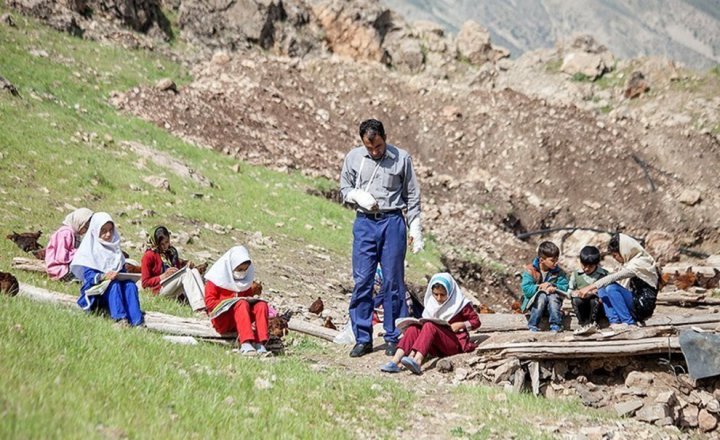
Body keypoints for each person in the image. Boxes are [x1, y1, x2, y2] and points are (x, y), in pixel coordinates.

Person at [339, 119, 423, 358]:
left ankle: (393, 336)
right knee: (363, 280)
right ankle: (362, 337)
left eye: (378, 146)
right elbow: (344, 188)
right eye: (370, 147)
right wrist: (357, 195)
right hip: (365, 222)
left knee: (393, 281)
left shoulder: (402, 158)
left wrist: (415, 226)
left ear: (385, 137)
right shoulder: (354, 158)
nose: (375, 151)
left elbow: (412, 195)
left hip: (392, 221)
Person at [380, 273, 480, 374]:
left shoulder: (460, 304)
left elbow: (476, 322)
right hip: (435, 345)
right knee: (413, 328)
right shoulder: (431, 303)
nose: (439, 298)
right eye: (435, 294)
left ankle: (417, 361)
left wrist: (461, 325)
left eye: (443, 295)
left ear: (450, 291)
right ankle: (395, 361)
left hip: (454, 343)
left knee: (429, 326)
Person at [69, 212, 144, 326]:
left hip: (116, 290)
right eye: (103, 231)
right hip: (98, 293)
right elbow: (89, 277)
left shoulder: (115, 249)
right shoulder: (90, 250)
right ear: (96, 230)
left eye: (110, 230)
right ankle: (120, 319)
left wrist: (124, 275)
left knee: (130, 285)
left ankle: (137, 322)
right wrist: (104, 276)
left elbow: (121, 270)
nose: (108, 234)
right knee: (113, 284)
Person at [576, 233, 659, 328]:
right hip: (632, 301)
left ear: (623, 251)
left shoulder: (640, 263)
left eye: (615, 255)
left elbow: (613, 278)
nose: (615, 259)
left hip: (642, 305)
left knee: (611, 287)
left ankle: (629, 323)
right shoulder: (628, 262)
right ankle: (614, 321)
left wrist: (589, 287)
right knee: (602, 288)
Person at [204, 246, 270, 356]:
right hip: (223, 319)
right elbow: (210, 304)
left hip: (241, 319)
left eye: (245, 270)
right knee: (241, 303)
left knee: (261, 305)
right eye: (239, 270)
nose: (242, 273)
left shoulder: (245, 281)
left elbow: (247, 299)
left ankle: (260, 342)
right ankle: (245, 343)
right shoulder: (215, 279)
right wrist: (231, 301)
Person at [140, 226, 206, 311]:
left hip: (172, 287)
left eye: (167, 242)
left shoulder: (171, 252)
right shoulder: (149, 256)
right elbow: (145, 283)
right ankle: (199, 308)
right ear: (156, 243)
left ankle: (206, 303)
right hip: (158, 289)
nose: (165, 246)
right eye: (161, 244)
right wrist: (163, 276)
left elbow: (177, 271)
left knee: (194, 271)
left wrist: (186, 266)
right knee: (185, 274)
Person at [520, 241, 569, 332]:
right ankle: (533, 325)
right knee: (541, 297)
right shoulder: (530, 271)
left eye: (556, 260)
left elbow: (565, 287)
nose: (555, 263)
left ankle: (556, 325)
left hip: (552, 306)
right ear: (542, 260)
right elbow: (526, 289)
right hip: (534, 305)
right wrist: (539, 287)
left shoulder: (559, 272)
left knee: (553, 297)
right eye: (552, 260)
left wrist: (554, 287)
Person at [568, 246, 608, 335]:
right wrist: (574, 293)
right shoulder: (575, 274)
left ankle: (593, 323)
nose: (586, 269)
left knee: (594, 301)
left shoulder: (604, 274)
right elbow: (569, 291)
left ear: (597, 264)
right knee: (576, 300)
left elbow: (608, 291)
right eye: (584, 265)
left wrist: (596, 292)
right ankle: (584, 324)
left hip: (597, 307)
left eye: (590, 266)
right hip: (582, 305)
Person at [45, 207, 93, 281]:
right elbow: (61, 257)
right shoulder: (65, 233)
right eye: (85, 227)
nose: (85, 231)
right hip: (60, 269)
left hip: (66, 266)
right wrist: (80, 253)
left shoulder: (75, 234)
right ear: (79, 222)